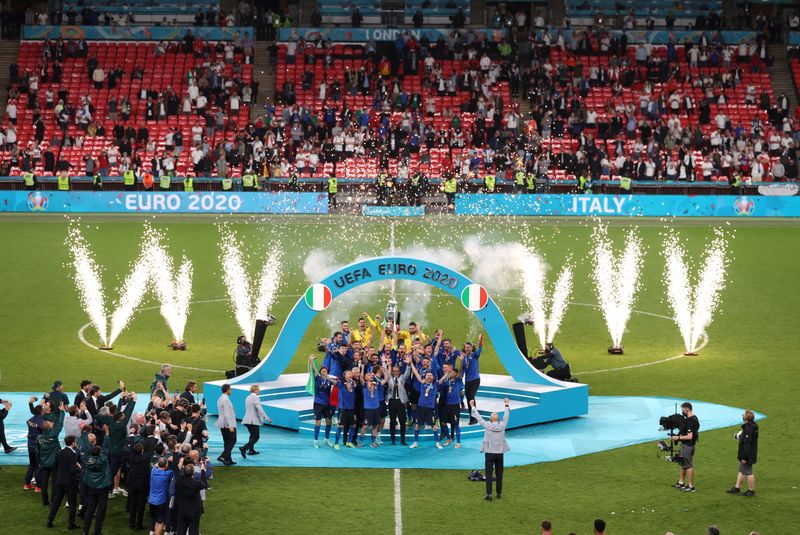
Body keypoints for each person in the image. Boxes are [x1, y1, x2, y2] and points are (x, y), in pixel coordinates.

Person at [471, 397, 510, 500]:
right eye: (494, 413)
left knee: (489, 475)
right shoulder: (502, 425)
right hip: (500, 454)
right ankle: (499, 493)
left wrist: (473, 406)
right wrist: (506, 405)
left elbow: (479, 418)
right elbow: (506, 417)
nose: (494, 413)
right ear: (495, 418)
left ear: (491, 419)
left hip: (489, 453)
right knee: (499, 474)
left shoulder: (487, 425)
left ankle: (489, 494)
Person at [46, 435, 81, 529]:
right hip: (70, 482)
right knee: (72, 504)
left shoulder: (59, 452)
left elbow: (55, 467)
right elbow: (72, 469)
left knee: (56, 502)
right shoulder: (73, 454)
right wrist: (78, 467)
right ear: (73, 442)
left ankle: (50, 520)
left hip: (60, 481)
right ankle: (71, 524)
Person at [408, 356, 443, 449]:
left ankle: (437, 442)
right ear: (425, 376)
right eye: (427, 375)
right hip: (421, 407)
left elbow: (442, 379)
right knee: (417, 425)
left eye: (430, 375)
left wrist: (447, 372)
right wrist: (411, 363)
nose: (429, 376)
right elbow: (415, 373)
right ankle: (415, 442)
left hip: (430, 408)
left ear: (433, 377)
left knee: (434, 426)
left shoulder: (435, 384)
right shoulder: (422, 383)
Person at [37, 404, 66, 505]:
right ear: (49, 427)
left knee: (44, 482)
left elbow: (38, 451)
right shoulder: (53, 435)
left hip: (44, 463)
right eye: (50, 423)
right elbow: (60, 424)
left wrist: (39, 462)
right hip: (54, 462)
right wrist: (62, 412)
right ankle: (53, 500)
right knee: (54, 482)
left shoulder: (39, 438)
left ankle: (45, 500)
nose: (52, 423)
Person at [82, 441, 112, 535]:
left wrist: (84, 434)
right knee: (101, 511)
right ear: (100, 453)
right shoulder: (102, 460)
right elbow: (107, 449)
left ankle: (85, 531)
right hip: (102, 488)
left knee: (90, 510)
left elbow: (85, 448)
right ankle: (97, 531)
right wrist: (107, 436)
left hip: (91, 487)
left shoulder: (87, 459)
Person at [728, 409, 758, 496]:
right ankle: (737, 488)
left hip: (747, 455)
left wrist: (744, 457)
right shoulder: (751, 427)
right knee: (741, 470)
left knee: (749, 472)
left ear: (746, 418)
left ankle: (751, 490)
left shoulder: (749, 428)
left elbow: (747, 444)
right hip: (748, 453)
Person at [174, 457, 208, 535]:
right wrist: (202, 470)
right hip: (194, 512)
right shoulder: (196, 484)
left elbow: (175, 469)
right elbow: (205, 484)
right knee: (193, 532)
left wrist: (181, 461)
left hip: (182, 510)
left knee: (181, 531)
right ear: (193, 473)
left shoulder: (179, 480)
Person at [309, 355, 337, 448]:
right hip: (318, 403)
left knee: (329, 422)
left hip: (327, 404)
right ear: (320, 373)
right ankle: (315, 441)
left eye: (326, 371)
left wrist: (328, 377)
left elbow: (336, 383)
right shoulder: (318, 378)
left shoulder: (329, 380)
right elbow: (314, 370)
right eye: (323, 371)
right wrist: (312, 361)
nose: (325, 372)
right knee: (318, 422)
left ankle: (326, 439)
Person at [672, 401, 700, 492]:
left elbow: (689, 436)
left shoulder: (690, 421)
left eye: (683, 410)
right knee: (683, 464)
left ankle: (691, 486)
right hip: (689, 445)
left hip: (687, 446)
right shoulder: (695, 418)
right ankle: (681, 482)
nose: (682, 411)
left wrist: (678, 437)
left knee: (688, 465)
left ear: (687, 409)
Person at [240, 384, 271, 458]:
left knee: (252, 436)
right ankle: (244, 448)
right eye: (258, 389)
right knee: (256, 437)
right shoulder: (256, 397)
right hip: (253, 420)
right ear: (255, 390)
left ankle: (251, 450)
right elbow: (259, 408)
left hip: (247, 420)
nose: (259, 391)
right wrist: (266, 417)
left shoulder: (247, 397)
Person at [385, 359, 411, 445]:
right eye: (394, 371)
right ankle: (393, 439)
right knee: (392, 421)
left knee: (402, 421)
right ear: (392, 372)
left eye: (397, 371)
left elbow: (407, 373)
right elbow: (386, 372)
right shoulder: (389, 378)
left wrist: (408, 364)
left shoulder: (402, 378)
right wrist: (387, 365)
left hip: (400, 401)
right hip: (392, 401)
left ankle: (403, 439)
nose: (396, 372)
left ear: (399, 371)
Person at [148, 457, 174, 535]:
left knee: (156, 520)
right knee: (161, 522)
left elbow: (156, 465)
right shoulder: (167, 474)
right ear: (166, 465)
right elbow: (177, 469)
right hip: (160, 502)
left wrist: (163, 462)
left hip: (151, 501)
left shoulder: (153, 471)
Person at [461, 334, 483, 424]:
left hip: (475, 380)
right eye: (465, 347)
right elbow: (463, 370)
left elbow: (480, 348)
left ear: (471, 348)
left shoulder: (474, 355)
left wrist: (480, 340)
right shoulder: (464, 358)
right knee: (469, 398)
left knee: (471, 398)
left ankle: (473, 418)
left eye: (468, 347)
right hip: (467, 381)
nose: (467, 348)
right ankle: (473, 417)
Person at [215, 383, 237, 465]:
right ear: (227, 390)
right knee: (233, 440)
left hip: (222, 423)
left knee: (227, 442)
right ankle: (223, 456)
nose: (231, 390)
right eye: (230, 389)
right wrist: (230, 425)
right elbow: (227, 414)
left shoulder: (220, 398)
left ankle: (228, 459)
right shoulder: (226, 400)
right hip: (227, 424)